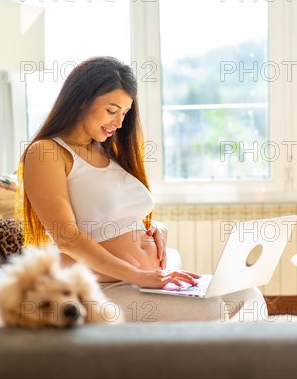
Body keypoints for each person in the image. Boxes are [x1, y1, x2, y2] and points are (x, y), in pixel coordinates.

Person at [19, 56, 264, 322]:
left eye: (124, 113)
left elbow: (109, 213)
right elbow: (67, 238)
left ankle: (246, 364)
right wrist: (139, 275)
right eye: (112, 110)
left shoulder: (105, 151)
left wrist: (153, 227)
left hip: (138, 282)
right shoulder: (46, 152)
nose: (119, 123)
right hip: (98, 288)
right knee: (211, 312)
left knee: (248, 296)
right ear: (81, 100)